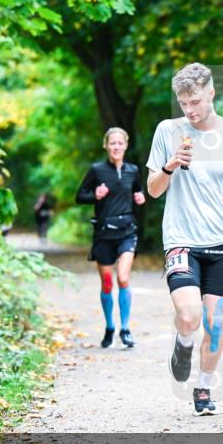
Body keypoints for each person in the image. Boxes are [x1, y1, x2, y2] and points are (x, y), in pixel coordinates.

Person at [146, 63, 223, 416]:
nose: (190, 110)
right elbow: (153, 191)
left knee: (214, 325)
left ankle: (203, 387)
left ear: (211, 92)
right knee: (188, 315)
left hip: (221, 241)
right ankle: (183, 342)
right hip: (181, 239)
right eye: (183, 103)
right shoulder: (168, 131)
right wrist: (169, 166)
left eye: (195, 101)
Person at [75, 127, 145, 348]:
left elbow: (138, 191)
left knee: (123, 278)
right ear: (105, 145)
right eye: (112, 143)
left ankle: (125, 329)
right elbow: (79, 196)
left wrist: (140, 196)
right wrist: (94, 195)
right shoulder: (96, 170)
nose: (116, 147)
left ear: (126, 145)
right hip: (104, 233)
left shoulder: (133, 170)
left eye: (120, 143)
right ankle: (110, 326)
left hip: (126, 231)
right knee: (107, 284)